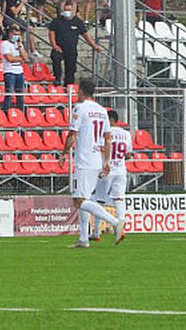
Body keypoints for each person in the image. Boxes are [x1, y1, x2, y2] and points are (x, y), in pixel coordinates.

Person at [63, 78, 123, 248]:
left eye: (77, 90)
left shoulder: (80, 108)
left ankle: (115, 222)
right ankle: (83, 238)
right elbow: (108, 138)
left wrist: (63, 153)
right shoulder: (102, 110)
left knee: (79, 200)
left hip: (84, 160)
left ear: (81, 91)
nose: (76, 93)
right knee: (85, 198)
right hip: (97, 160)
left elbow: (72, 134)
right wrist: (107, 161)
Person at [90, 109, 132, 241]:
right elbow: (129, 155)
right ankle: (119, 230)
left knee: (100, 201)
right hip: (121, 170)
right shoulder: (126, 134)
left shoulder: (104, 134)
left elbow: (99, 150)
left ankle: (96, 232)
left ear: (110, 120)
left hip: (107, 170)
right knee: (119, 199)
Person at [47, 0, 101, 87]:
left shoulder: (78, 22)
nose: (67, 12)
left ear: (74, 12)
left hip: (71, 50)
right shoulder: (57, 21)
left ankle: (68, 86)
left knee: (71, 69)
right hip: (59, 48)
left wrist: (94, 45)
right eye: (65, 10)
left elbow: (86, 35)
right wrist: (54, 45)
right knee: (55, 58)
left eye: (69, 10)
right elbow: (51, 33)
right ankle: (57, 79)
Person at [0, 24, 27, 112]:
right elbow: (9, 58)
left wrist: (19, 45)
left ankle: (20, 112)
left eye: (18, 35)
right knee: (9, 94)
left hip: (19, 72)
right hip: (9, 72)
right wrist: (20, 59)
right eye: (15, 34)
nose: (16, 36)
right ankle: (6, 112)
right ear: (10, 34)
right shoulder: (5, 44)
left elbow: (25, 57)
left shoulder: (19, 45)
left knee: (20, 95)